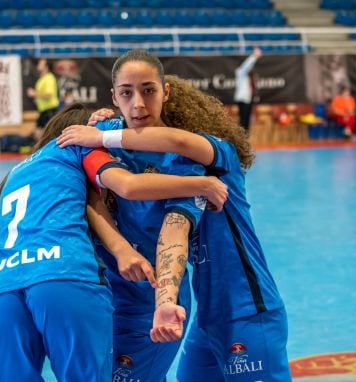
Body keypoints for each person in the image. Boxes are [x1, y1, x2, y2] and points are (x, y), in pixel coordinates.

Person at [59, 74, 292, 381]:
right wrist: (101, 122)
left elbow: (176, 142)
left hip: (247, 307)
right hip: (208, 315)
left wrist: (103, 137)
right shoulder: (179, 176)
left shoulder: (219, 154)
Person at [0, 103, 228, 382]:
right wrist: (203, 185)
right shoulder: (80, 145)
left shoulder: (15, 173)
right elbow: (127, 184)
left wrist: (120, 249)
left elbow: (86, 203)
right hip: (65, 274)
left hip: (2, 286)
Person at [59, 49, 214, 382]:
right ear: (113, 97)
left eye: (148, 90)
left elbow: (174, 233)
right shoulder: (98, 133)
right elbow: (83, 197)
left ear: (165, 91)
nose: (138, 104)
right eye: (126, 93)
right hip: (95, 297)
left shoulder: (184, 160)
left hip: (147, 304)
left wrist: (165, 301)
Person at [26, 58, 59, 140]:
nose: (38, 65)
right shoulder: (42, 79)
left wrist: (34, 93)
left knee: (42, 135)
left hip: (49, 110)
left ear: (46, 66)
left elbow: (49, 95)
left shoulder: (49, 78)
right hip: (43, 110)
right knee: (39, 134)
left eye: (41, 64)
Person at [234, 47, 262, 131]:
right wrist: (254, 56)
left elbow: (248, 66)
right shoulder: (240, 72)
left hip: (248, 99)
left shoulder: (249, 76)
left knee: (247, 121)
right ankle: (242, 138)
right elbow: (247, 65)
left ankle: (245, 137)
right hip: (242, 99)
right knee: (243, 120)